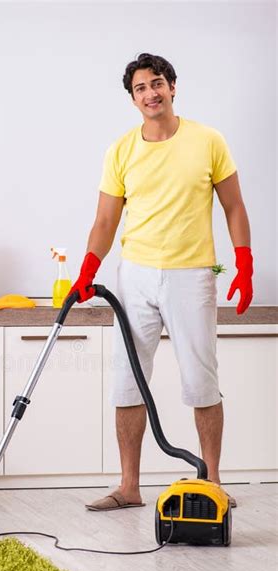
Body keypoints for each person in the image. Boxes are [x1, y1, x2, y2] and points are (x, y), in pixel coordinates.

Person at [68, 53, 253, 511]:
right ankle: (129, 486)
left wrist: (244, 264)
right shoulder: (121, 150)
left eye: (156, 83)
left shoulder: (208, 141)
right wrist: (89, 267)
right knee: (128, 381)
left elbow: (233, 206)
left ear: (173, 86)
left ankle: (212, 482)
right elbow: (106, 218)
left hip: (193, 274)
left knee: (201, 381)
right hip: (135, 276)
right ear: (132, 99)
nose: (150, 93)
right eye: (140, 88)